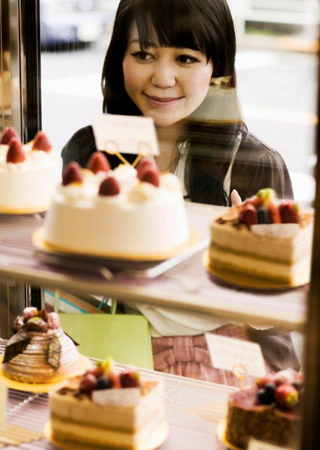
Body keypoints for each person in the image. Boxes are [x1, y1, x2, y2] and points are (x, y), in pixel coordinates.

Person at [62, 0, 299, 385]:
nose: (163, 77)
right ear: (118, 58)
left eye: (186, 58)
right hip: (113, 347)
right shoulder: (91, 151)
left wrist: (252, 276)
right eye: (143, 54)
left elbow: (280, 316)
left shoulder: (253, 164)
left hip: (227, 359)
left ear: (216, 68)